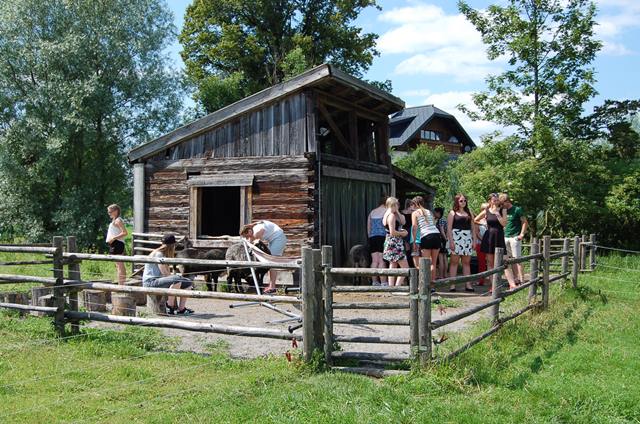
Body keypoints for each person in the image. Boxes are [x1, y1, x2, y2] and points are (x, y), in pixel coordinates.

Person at [142, 234, 194, 315]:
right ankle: (169, 306)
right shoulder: (159, 254)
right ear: (172, 245)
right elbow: (164, 273)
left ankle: (181, 309)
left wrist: (176, 277)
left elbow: (168, 274)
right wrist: (177, 277)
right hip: (150, 282)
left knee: (188, 283)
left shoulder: (162, 254)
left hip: (158, 280)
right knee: (177, 279)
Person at [475, 194, 517, 289]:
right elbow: (475, 219)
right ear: (490, 201)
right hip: (489, 237)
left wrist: (498, 214)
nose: (496, 202)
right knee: (490, 263)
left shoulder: (503, 210)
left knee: (504, 261)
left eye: (497, 200)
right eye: (494, 200)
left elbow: (504, 223)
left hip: (499, 236)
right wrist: (483, 223)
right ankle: (493, 286)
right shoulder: (486, 211)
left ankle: (512, 284)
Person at [240, 220, 287, 294]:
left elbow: (253, 241)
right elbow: (259, 223)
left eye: (247, 236)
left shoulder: (256, 232)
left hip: (278, 238)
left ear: (249, 231)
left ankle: (272, 287)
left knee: (272, 262)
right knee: (269, 262)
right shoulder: (254, 228)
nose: (247, 237)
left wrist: (248, 243)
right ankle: (270, 285)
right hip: (273, 240)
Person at [447, 194, 476, 292]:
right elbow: (449, 228)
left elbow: (473, 228)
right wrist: (451, 241)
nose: (463, 202)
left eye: (464, 200)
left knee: (466, 262)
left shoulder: (469, 212)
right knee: (454, 262)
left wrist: (474, 240)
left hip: (467, 238)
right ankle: (452, 285)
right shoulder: (452, 213)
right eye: (461, 201)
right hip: (456, 238)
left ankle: (468, 284)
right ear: (456, 202)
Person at [411, 196, 440, 288]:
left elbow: (415, 227)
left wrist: (415, 241)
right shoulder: (429, 212)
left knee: (425, 263)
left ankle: (424, 286)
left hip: (426, 236)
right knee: (433, 263)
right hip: (436, 235)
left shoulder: (415, 213)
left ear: (415, 204)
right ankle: (432, 286)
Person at [500, 193, 528, 284]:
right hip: (505, 237)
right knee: (509, 260)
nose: (501, 205)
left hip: (515, 237)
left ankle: (522, 280)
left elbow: (524, 222)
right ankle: (515, 279)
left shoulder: (517, 210)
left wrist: (521, 234)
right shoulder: (503, 210)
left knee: (517, 259)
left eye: (502, 203)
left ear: (507, 201)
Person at [382, 197, 409, 286]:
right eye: (397, 204)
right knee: (405, 268)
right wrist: (403, 233)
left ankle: (391, 288)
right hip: (395, 243)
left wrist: (397, 211)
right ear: (393, 205)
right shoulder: (391, 216)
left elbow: (403, 222)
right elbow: (392, 232)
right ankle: (397, 287)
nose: (398, 206)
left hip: (390, 242)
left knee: (392, 265)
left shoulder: (388, 214)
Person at [367, 196, 388, 286]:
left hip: (372, 237)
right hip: (382, 237)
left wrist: (370, 236)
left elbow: (369, 226)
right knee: (381, 260)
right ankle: (383, 282)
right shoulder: (387, 211)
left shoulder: (372, 212)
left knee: (374, 260)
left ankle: (374, 281)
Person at [105, 204, 128, 285]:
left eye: (110, 212)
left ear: (116, 211)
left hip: (117, 243)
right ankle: (121, 284)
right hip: (115, 244)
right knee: (118, 265)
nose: (109, 213)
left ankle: (121, 285)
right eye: (108, 212)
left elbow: (125, 232)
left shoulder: (118, 220)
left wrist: (113, 238)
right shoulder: (115, 220)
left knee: (120, 265)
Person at [474, 202, 489, 286]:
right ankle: (481, 280)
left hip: (490, 244)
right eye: (484, 209)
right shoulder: (478, 220)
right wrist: (484, 240)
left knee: (491, 262)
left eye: (487, 208)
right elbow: (477, 233)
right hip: (481, 244)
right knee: (482, 263)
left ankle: (491, 280)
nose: (485, 210)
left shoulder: (491, 218)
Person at [434, 207, 448, 280]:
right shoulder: (445, 219)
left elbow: (442, 230)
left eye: (435, 212)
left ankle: (441, 275)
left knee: (440, 258)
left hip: (441, 239)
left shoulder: (440, 220)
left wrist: (445, 238)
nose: (434, 214)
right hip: (445, 240)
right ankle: (445, 274)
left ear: (438, 213)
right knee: (444, 257)